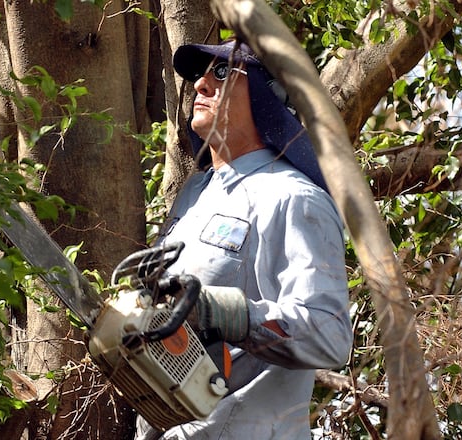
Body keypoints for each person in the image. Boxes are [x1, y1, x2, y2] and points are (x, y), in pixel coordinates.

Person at [134, 39, 353, 440]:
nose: (201, 85)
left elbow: (331, 334)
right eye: (199, 76)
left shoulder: (294, 199)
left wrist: (229, 314)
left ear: (263, 93)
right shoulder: (194, 195)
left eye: (221, 73)